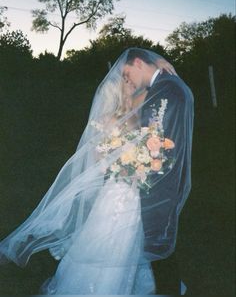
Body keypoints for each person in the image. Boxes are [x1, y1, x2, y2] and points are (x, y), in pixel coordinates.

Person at [0, 47, 192, 295]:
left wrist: (161, 62)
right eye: (124, 83)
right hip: (118, 189)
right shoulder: (109, 120)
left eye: (129, 80)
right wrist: (125, 165)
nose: (129, 86)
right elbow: (101, 160)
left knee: (131, 245)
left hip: (136, 192)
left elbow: (153, 95)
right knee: (106, 244)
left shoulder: (140, 104)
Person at [123, 48, 194, 295]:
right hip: (163, 181)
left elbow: (157, 141)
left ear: (139, 63)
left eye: (127, 72)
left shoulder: (165, 90)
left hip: (159, 184)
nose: (126, 79)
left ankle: (168, 291)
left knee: (159, 248)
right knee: (159, 249)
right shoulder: (168, 86)